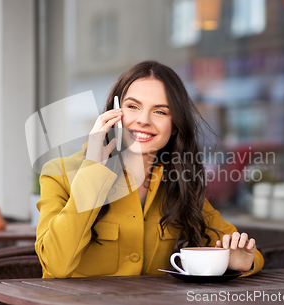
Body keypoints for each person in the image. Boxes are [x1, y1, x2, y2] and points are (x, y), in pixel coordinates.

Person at [35, 60, 264, 278]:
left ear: (175, 126)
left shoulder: (179, 182)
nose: (143, 120)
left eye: (160, 111)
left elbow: (243, 250)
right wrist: (94, 170)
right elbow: (56, 266)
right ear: (113, 113)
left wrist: (241, 261)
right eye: (133, 106)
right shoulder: (59, 173)